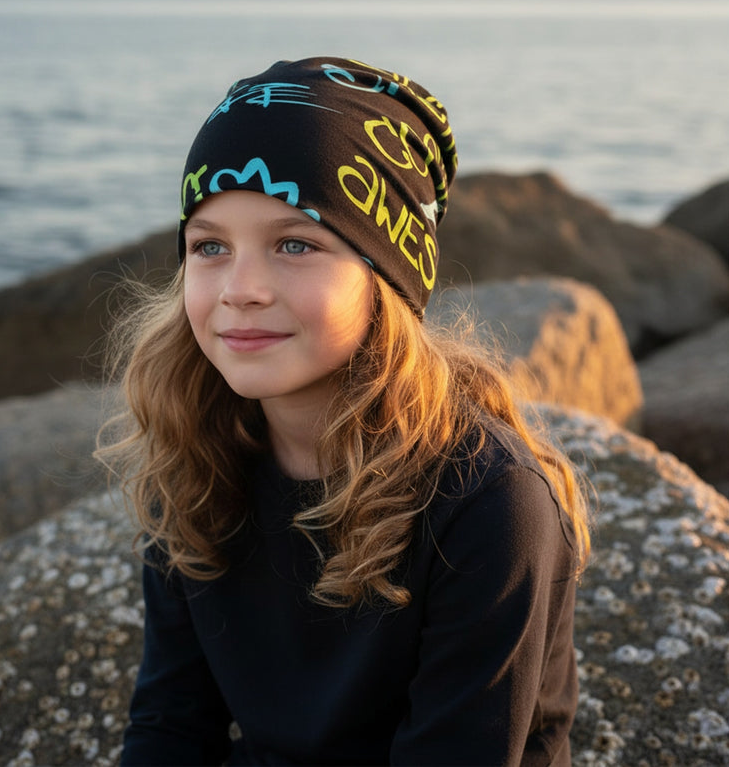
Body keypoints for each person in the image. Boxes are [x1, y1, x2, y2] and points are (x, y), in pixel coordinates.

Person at [99, 57, 591, 766]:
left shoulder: (488, 504)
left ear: (385, 277)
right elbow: (171, 725)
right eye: (210, 246)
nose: (240, 288)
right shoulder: (194, 458)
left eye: (295, 244)